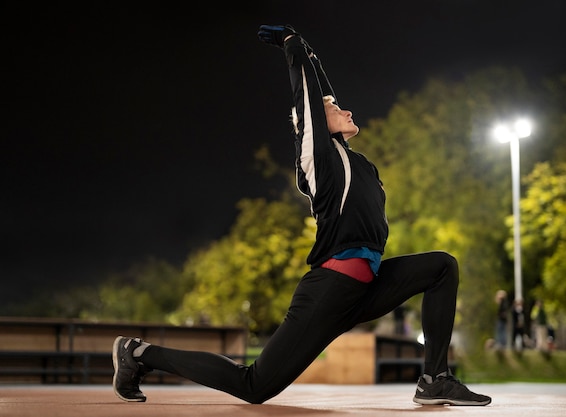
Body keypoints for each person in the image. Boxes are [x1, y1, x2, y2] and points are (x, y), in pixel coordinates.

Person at [111, 24, 491, 407]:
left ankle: (434, 378)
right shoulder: (317, 160)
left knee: (442, 266)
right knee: (254, 386)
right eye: (334, 110)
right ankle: (138, 354)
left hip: (366, 287)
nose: (346, 109)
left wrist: (310, 53)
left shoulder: (360, 164)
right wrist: (292, 45)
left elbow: (322, 93)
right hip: (329, 290)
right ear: (311, 126)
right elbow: (308, 99)